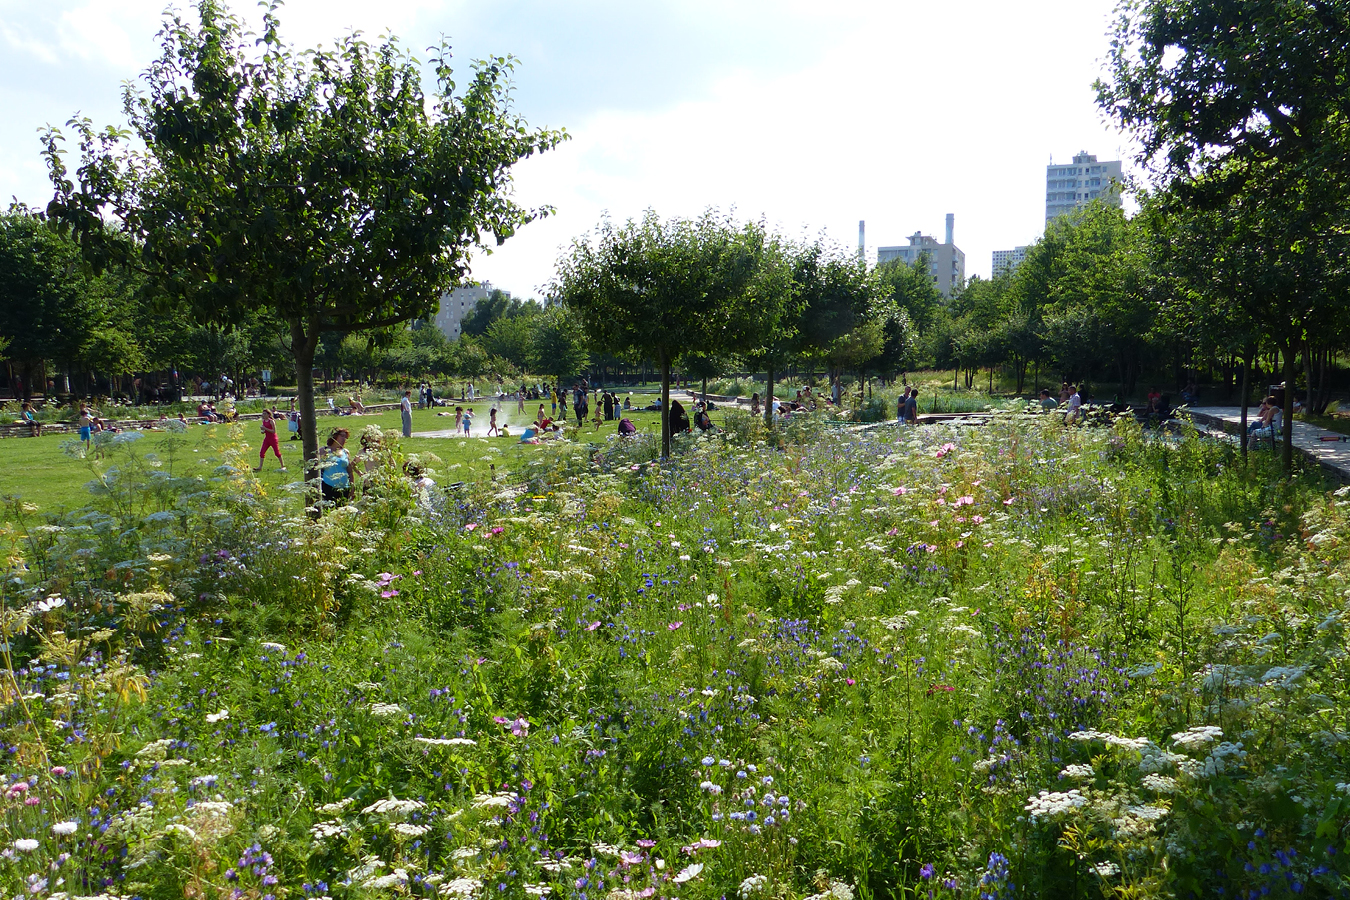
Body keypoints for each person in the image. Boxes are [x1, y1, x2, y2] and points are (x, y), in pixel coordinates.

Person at [318, 428, 354, 506]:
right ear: (335, 436)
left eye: (346, 437)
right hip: (328, 486)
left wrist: (352, 486)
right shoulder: (324, 450)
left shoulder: (345, 452)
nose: (344, 439)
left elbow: (350, 471)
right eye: (342, 436)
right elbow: (317, 468)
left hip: (344, 487)